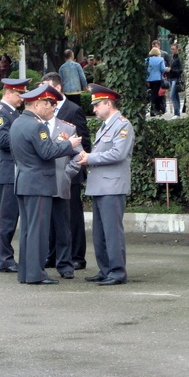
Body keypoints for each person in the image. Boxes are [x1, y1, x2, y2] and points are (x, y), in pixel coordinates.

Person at [9, 84, 82, 285]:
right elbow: (47, 152)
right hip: (39, 184)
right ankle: (36, 274)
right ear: (37, 105)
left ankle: (26, 272)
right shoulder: (37, 126)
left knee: (27, 230)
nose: (50, 108)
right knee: (38, 231)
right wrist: (69, 144)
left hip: (24, 181)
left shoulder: (17, 123)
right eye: (47, 104)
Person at [77, 84, 135, 286]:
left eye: (97, 105)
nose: (94, 109)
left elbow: (118, 154)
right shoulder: (106, 126)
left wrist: (90, 158)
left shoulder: (122, 125)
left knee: (112, 232)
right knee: (100, 233)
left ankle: (117, 271)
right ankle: (106, 269)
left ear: (108, 104)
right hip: (101, 186)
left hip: (112, 186)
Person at [41, 72, 92, 271]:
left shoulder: (73, 110)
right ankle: (53, 255)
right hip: (51, 172)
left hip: (70, 173)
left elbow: (83, 143)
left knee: (72, 216)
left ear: (58, 88)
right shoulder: (43, 111)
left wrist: (71, 166)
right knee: (53, 217)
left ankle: (77, 256)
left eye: (46, 87)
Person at [0, 78, 31, 273]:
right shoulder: (0, 113)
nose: (22, 98)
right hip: (8, 172)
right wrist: (25, 139)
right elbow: (2, 140)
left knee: (15, 217)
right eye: (19, 94)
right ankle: (4, 259)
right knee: (7, 219)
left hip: (17, 171)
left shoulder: (13, 113)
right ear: (8, 93)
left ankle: (10, 258)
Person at [146, 47, 167, 116]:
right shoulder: (160, 59)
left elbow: (145, 69)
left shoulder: (147, 60)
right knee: (155, 94)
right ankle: (153, 109)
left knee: (152, 93)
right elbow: (163, 69)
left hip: (149, 79)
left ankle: (156, 108)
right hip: (157, 79)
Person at [167, 42, 183, 119]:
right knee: (175, 96)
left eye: (173, 49)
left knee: (172, 95)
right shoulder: (171, 58)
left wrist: (171, 70)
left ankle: (177, 113)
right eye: (171, 49)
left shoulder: (178, 59)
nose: (172, 50)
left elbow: (180, 70)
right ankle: (177, 113)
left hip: (175, 79)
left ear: (177, 50)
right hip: (171, 78)